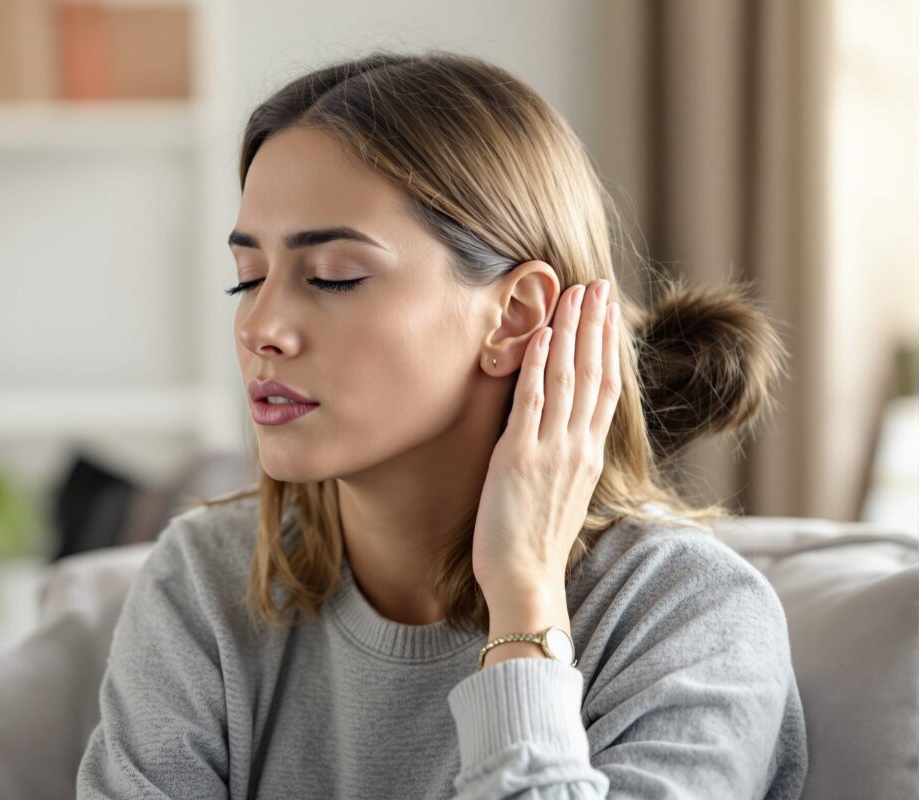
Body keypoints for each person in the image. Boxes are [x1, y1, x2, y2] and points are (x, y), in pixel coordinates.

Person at [76, 49, 806, 799]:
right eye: (248, 278)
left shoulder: (692, 616)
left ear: (513, 316)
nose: (260, 327)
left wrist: (522, 596)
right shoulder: (205, 579)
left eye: (332, 277)